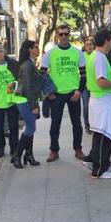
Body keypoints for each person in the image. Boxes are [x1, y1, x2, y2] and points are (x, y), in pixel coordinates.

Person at [81, 29, 111, 179]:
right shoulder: (99, 58)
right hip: (102, 101)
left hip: (98, 101)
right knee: (105, 135)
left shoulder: (95, 56)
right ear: (106, 41)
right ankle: (100, 169)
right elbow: (101, 82)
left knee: (100, 133)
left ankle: (92, 160)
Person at [41, 24, 87, 162]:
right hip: (57, 94)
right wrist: (49, 93)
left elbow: (84, 75)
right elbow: (42, 75)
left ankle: (78, 149)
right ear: (57, 35)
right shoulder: (50, 53)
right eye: (61, 34)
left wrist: (79, 91)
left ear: (70, 35)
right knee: (55, 124)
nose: (64, 37)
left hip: (74, 93)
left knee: (77, 124)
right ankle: (54, 150)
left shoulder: (77, 53)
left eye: (66, 34)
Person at [12, 40, 43, 169]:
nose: (38, 49)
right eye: (36, 47)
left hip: (28, 100)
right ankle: (18, 155)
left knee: (31, 128)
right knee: (30, 128)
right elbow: (28, 87)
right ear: (30, 49)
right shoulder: (26, 65)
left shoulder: (30, 63)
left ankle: (29, 155)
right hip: (25, 101)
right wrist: (34, 105)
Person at [82, 37, 95, 134]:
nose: (89, 46)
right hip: (85, 86)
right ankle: (87, 125)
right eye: (87, 45)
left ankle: (95, 125)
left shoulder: (98, 55)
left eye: (91, 44)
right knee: (86, 106)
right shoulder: (82, 56)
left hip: (96, 86)